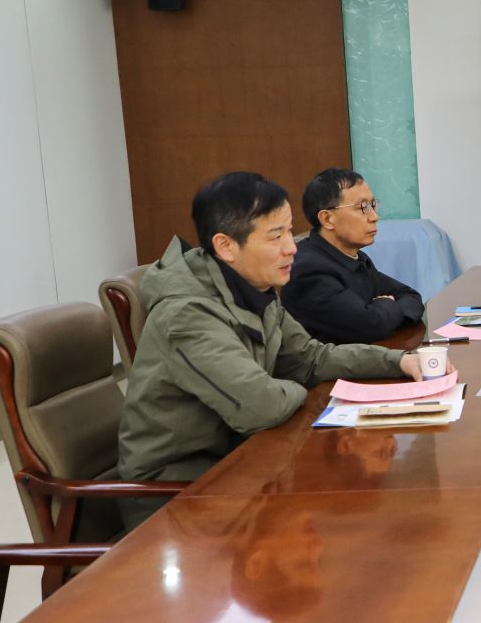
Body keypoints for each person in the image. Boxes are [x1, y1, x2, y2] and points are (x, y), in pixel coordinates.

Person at [117, 172, 428, 526]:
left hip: (240, 463)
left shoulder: (254, 290)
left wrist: (398, 361)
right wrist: (302, 391)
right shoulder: (187, 315)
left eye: (289, 231)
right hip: (177, 499)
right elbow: (261, 407)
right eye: (276, 236)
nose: (292, 247)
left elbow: (311, 358)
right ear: (226, 246)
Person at [284, 168, 427, 343]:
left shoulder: (354, 257)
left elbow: (411, 297)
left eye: (373, 205)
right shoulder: (308, 270)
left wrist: (381, 313)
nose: (374, 216)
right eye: (363, 208)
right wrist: (387, 304)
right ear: (327, 219)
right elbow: (371, 326)